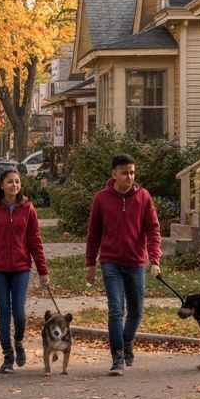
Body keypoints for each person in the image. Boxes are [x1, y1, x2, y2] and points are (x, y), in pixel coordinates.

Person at [85, 153, 162, 377]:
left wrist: (154, 259)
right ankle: (117, 356)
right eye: (124, 173)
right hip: (111, 262)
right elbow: (94, 234)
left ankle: (126, 341)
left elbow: (153, 230)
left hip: (136, 262)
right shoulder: (102, 198)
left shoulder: (143, 197)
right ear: (114, 174)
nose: (129, 177)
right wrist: (91, 264)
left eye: (132, 172)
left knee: (136, 311)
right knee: (116, 309)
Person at [0, 168, 50, 374]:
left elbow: (35, 241)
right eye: (10, 182)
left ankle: (18, 341)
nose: (14, 185)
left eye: (17, 182)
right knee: (3, 312)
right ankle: (7, 356)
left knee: (19, 311)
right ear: (2, 185)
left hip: (21, 267)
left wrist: (43, 271)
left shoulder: (27, 208)